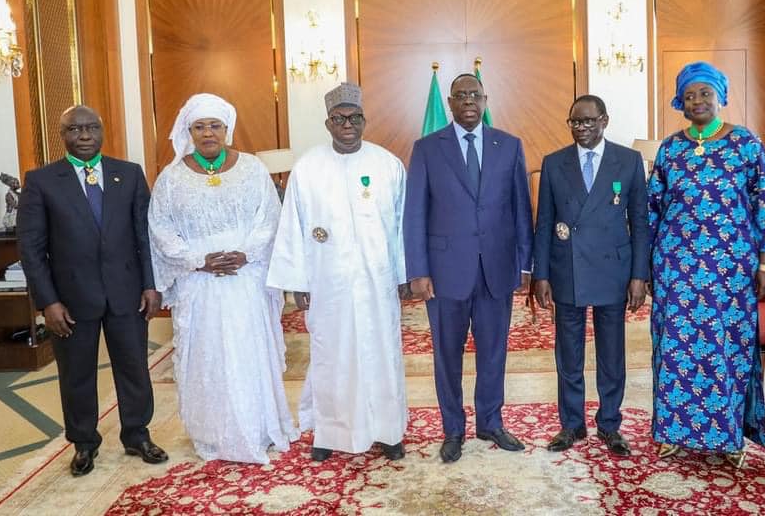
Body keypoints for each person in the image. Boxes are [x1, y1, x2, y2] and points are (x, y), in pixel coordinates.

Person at [648, 62, 765, 468]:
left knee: (727, 350)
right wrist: (647, 267)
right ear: (680, 101)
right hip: (676, 269)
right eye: (689, 95)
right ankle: (675, 433)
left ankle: (729, 437)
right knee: (674, 349)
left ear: (720, 96)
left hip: (731, 270)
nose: (697, 101)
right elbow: (652, 209)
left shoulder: (746, 144)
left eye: (705, 93)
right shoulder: (670, 149)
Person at [16, 105, 168, 476]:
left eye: (91, 128)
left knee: (134, 368)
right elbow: (31, 249)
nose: (83, 135)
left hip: (127, 292)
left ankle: (136, 434)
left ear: (102, 131)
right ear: (62, 135)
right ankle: (84, 443)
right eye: (74, 129)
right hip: (70, 299)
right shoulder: (41, 180)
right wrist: (47, 302)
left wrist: (151, 284)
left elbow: (144, 236)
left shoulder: (129, 175)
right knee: (77, 374)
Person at [147, 93, 298, 464]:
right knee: (208, 356)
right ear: (190, 131)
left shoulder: (252, 168)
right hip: (199, 284)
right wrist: (199, 260)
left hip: (246, 279)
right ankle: (213, 432)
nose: (208, 133)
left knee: (248, 353)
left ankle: (258, 425)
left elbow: (269, 219)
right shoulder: (172, 178)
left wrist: (245, 253)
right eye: (199, 127)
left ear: (227, 129)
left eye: (215, 125)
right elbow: (160, 230)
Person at [268, 82, 410, 462]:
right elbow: (292, 227)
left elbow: (401, 226)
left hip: (377, 282)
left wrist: (403, 274)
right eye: (339, 118)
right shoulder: (307, 168)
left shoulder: (387, 165)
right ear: (328, 123)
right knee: (332, 355)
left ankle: (388, 430)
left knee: (382, 353)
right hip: (326, 283)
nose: (347, 124)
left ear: (364, 121)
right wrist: (297, 282)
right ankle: (330, 432)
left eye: (354, 117)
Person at [404, 73, 534, 463]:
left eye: (474, 95)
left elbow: (521, 210)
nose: (468, 102)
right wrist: (418, 270)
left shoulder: (508, 146)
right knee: (447, 354)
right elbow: (415, 214)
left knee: (494, 351)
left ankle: (491, 422)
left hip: (496, 267)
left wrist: (525, 262)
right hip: (444, 272)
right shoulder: (427, 147)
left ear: (485, 98)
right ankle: (453, 429)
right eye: (460, 96)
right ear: (449, 101)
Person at [532, 95, 651, 457]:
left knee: (611, 354)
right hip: (566, 267)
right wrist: (541, 274)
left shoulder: (629, 162)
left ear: (604, 120)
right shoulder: (554, 163)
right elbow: (544, 223)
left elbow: (641, 223)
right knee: (568, 353)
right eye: (575, 122)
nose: (581, 129)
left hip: (613, 271)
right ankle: (571, 424)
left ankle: (610, 423)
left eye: (588, 122)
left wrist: (639, 276)